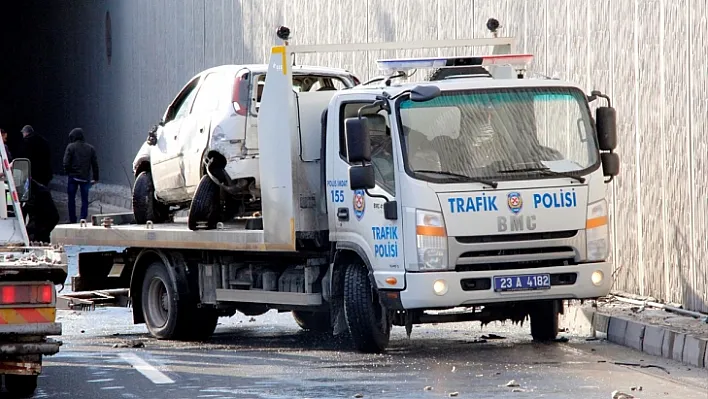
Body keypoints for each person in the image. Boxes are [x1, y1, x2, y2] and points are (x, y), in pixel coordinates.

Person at [19, 125, 58, 243]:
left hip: (33, 175)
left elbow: (24, 159)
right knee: (43, 200)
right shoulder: (44, 142)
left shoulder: (26, 143)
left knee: (33, 203)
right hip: (44, 175)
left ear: (25, 133)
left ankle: (33, 231)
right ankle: (41, 235)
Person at [62, 127, 99, 223]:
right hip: (85, 178)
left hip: (73, 178)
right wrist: (96, 178)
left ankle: (72, 219)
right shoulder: (90, 148)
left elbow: (66, 163)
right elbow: (95, 164)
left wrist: (68, 172)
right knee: (84, 199)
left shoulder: (70, 147)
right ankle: (83, 217)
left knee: (71, 199)